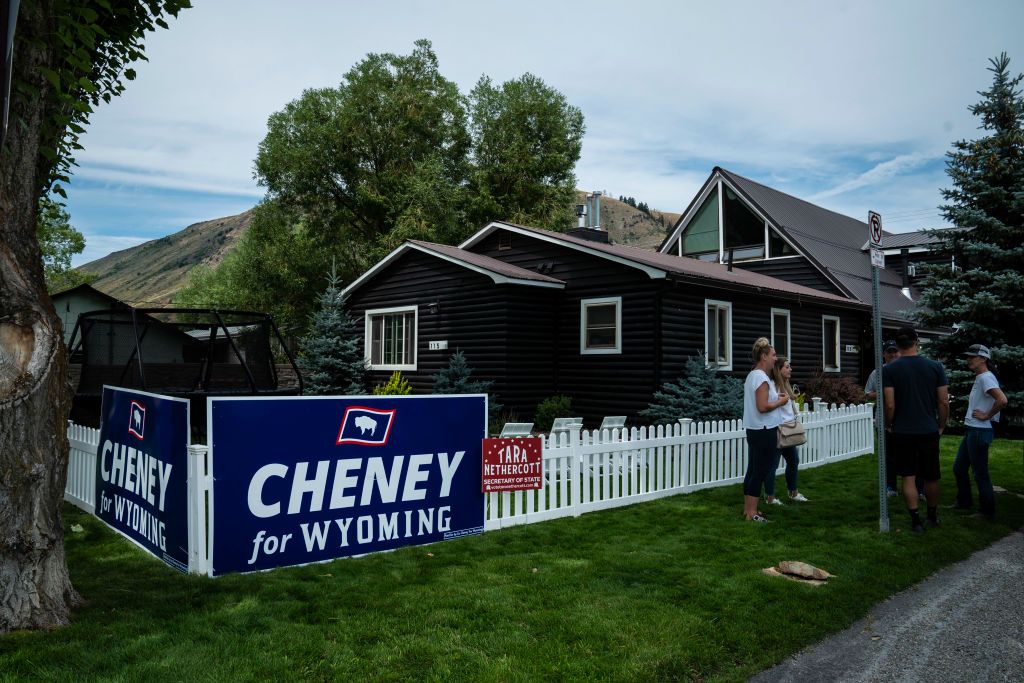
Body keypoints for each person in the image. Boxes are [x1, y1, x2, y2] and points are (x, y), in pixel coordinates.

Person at [882, 327, 949, 534]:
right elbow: (943, 401)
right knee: (931, 476)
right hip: (928, 429)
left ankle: (915, 521)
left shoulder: (890, 369)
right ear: (916, 341)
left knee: (908, 476)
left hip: (903, 431)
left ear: (898, 345)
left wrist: (889, 424)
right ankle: (932, 514)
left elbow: (890, 404)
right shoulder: (935, 367)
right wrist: (941, 424)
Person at [952, 344, 1008, 519]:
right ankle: (964, 501)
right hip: (972, 430)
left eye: (972, 356)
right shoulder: (981, 377)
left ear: (983, 358)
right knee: (959, 467)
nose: (968, 359)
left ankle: (987, 511)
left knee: (980, 472)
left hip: (979, 431)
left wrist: (986, 416)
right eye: (968, 356)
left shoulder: (985, 378)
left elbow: (1002, 400)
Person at [742, 337, 789, 522]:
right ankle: (752, 513)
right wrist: (781, 401)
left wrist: (775, 396)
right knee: (760, 471)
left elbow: (760, 402)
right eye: (773, 355)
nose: (775, 359)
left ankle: (748, 510)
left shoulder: (753, 375)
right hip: (764, 430)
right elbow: (762, 407)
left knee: (753, 469)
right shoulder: (761, 378)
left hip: (754, 429)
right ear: (763, 356)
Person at [764, 356, 809, 505]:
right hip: (778, 431)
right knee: (773, 465)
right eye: (787, 367)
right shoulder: (772, 386)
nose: (790, 369)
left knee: (793, 461)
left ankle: (793, 493)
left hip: (788, 431)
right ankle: (769, 497)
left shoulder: (785, 385)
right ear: (779, 369)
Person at [865, 340, 901, 495]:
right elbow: (867, 395)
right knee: (888, 456)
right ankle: (890, 487)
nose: (893, 354)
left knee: (908, 455)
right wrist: (884, 392)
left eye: (895, 351)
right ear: (884, 354)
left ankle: (916, 489)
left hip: (903, 420)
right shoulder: (877, 372)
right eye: (890, 351)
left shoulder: (904, 370)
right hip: (883, 420)